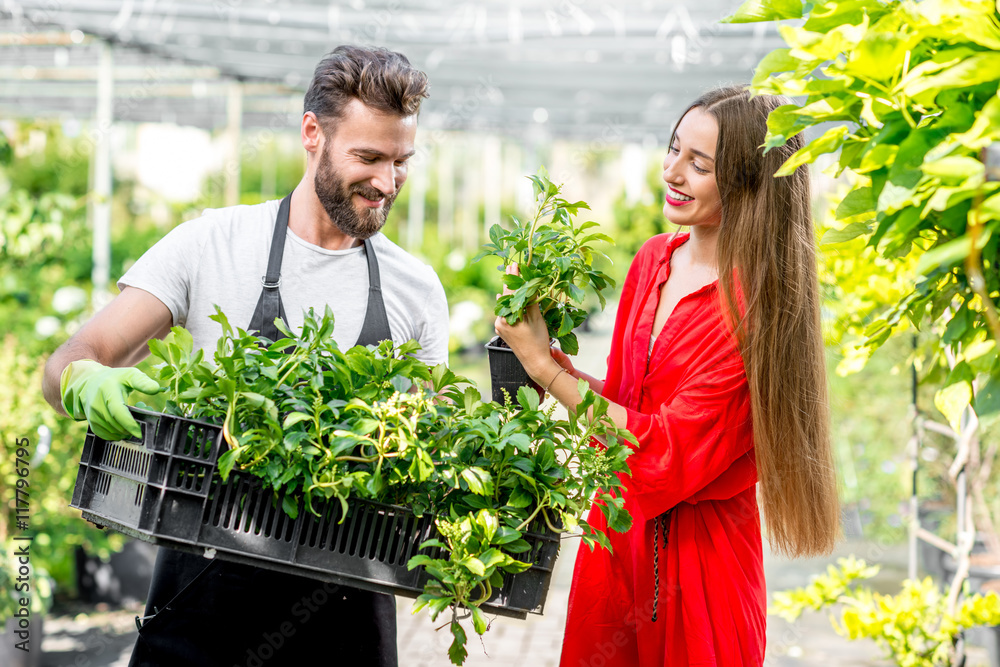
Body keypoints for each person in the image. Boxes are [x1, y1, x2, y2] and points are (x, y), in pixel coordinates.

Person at [43, 45, 449, 667]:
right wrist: (84, 378)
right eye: (367, 158)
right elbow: (74, 355)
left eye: (400, 161)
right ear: (312, 134)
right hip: (203, 602)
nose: (386, 183)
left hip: (347, 620)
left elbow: (429, 448)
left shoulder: (414, 288)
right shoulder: (214, 243)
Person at [495, 85, 840, 666]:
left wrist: (542, 368)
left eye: (699, 164)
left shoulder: (757, 310)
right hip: (616, 542)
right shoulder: (653, 258)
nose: (672, 172)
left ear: (748, 182)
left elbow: (662, 453)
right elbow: (633, 407)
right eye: (674, 149)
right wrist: (560, 368)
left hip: (700, 571)